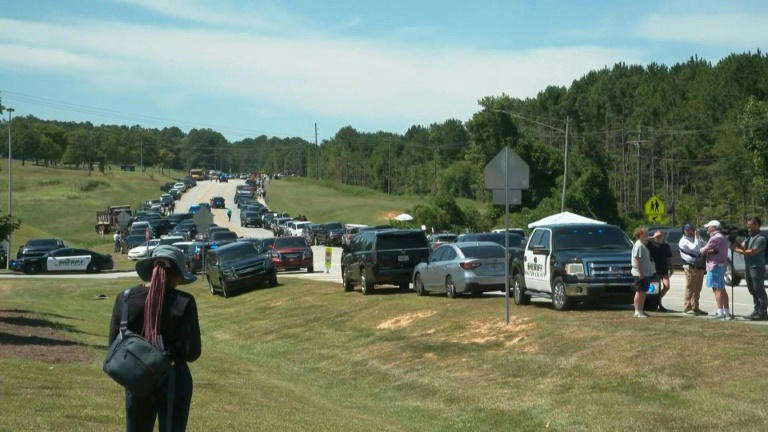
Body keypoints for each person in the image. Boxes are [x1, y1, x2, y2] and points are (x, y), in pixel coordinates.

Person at [108, 246, 201, 432]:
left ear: (150, 269)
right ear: (176, 275)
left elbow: (113, 344)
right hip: (174, 380)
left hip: (136, 378)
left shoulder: (124, 299)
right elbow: (193, 352)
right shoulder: (184, 302)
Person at [731, 216, 768, 320]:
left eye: (750, 225)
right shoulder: (749, 237)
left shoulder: (761, 238)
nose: (748, 227)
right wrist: (735, 242)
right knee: (752, 289)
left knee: (758, 289)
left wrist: (736, 250)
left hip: (757, 267)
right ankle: (756, 310)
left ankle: (762, 312)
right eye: (747, 225)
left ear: (756, 225)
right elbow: (744, 248)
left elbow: (752, 252)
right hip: (748, 267)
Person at [699, 220, 732, 320]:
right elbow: (712, 250)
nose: (707, 229)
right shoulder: (722, 237)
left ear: (713, 227)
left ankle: (720, 311)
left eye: (708, 227)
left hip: (714, 265)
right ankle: (726, 311)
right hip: (721, 265)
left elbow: (703, 250)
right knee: (721, 289)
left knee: (716, 289)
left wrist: (703, 250)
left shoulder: (714, 238)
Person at [678, 224, 707, 315]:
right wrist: (697, 237)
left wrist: (698, 238)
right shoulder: (683, 241)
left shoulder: (695, 238)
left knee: (698, 288)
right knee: (690, 287)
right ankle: (687, 307)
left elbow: (704, 245)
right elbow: (696, 248)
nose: (689, 231)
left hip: (699, 265)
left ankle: (695, 307)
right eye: (687, 230)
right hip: (690, 266)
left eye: (691, 229)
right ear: (683, 231)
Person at [631, 226, 654, 318]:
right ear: (640, 234)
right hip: (639, 273)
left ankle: (641, 310)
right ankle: (637, 311)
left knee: (643, 291)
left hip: (645, 273)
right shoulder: (638, 245)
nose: (647, 235)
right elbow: (637, 259)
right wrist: (640, 272)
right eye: (645, 234)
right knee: (639, 291)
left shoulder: (643, 244)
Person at [648, 230, 673, 312]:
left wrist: (671, 267)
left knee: (666, 286)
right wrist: (653, 237)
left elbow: (669, 258)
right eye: (657, 236)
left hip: (664, 268)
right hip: (654, 269)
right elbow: (642, 240)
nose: (658, 237)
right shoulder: (651, 245)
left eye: (660, 236)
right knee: (656, 289)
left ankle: (657, 301)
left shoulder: (666, 246)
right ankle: (659, 305)